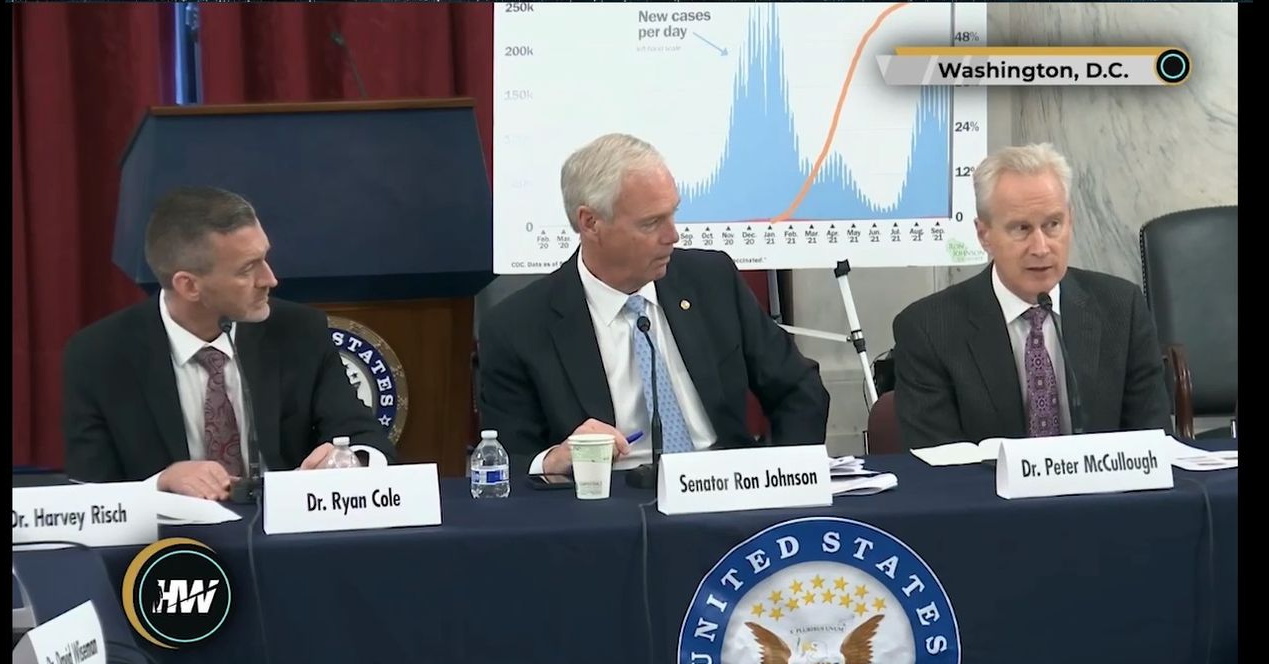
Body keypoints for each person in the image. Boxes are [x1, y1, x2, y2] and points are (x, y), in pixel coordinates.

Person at [477, 133, 830, 480]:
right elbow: (508, 461)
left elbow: (800, 389)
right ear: (591, 223)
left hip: (724, 487)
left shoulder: (711, 281)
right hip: (610, 500)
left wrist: (777, 476)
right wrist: (555, 459)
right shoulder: (516, 328)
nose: (672, 236)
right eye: (651, 223)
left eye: (672, 215)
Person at [62, 186, 397, 499]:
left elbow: (364, 437)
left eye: (264, 258)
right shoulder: (99, 356)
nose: (270, 279)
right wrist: (160, 483)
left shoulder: (299, 331)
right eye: (247, 269)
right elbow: (89, 497)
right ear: (189, 286)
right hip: (166, 538)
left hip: (284, 531)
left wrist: (351, 463)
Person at [891, 143, 1172, 449]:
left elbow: (1152, 444)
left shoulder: (1122, 309)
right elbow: (940, 463)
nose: (1040, 247)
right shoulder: (929, 329)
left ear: (1070, 221)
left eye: (1053, 225)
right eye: (1021, 228)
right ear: (984, 235)